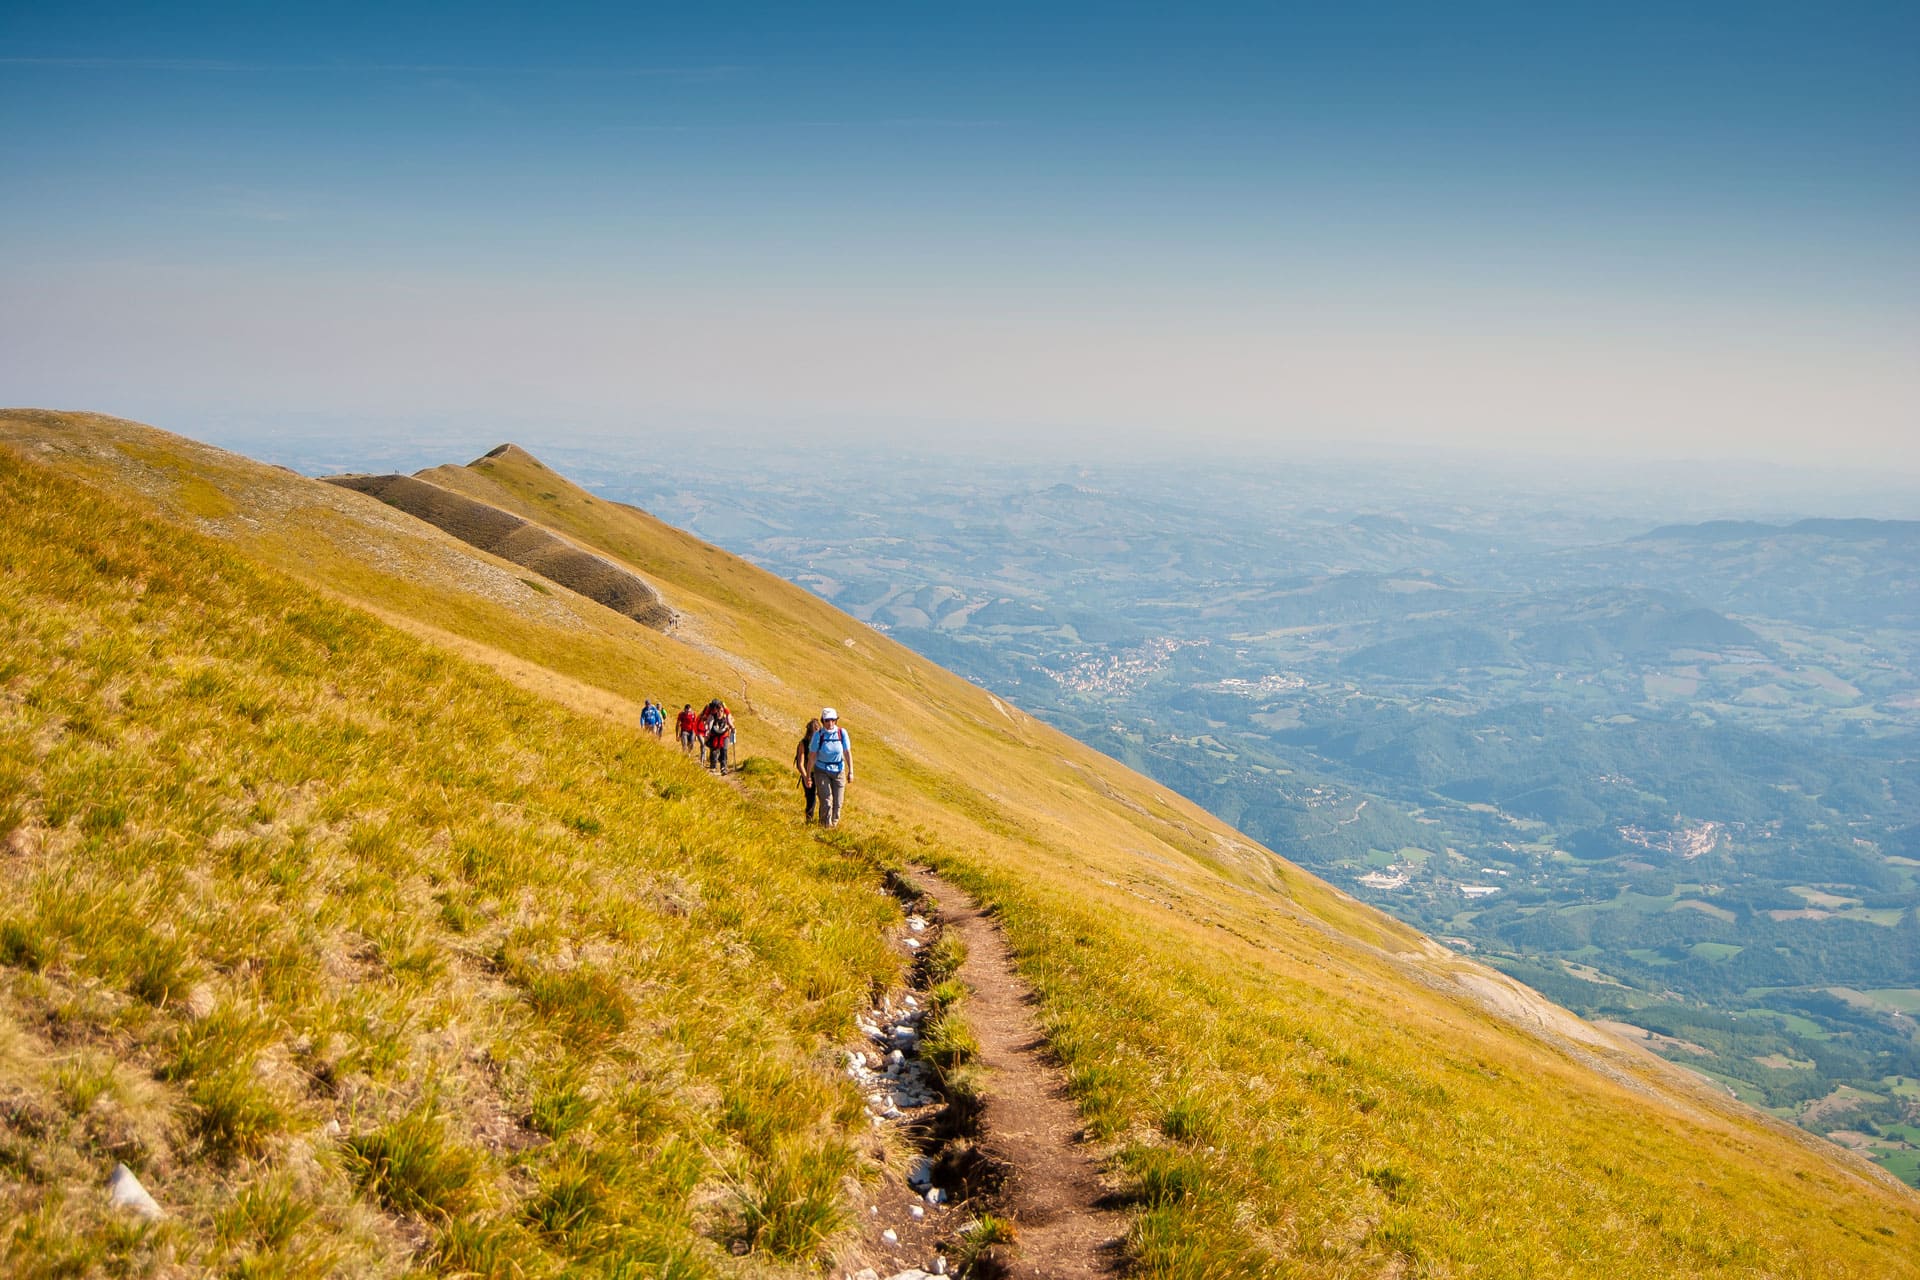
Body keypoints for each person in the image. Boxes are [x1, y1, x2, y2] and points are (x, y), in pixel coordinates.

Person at [805, 707, 852, 827]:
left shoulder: (842, 733)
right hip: (821, 770)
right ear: (823, 721)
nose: (830, 723)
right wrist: (808, 775)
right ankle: (825, 826)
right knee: (826, 800)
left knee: (838, 802)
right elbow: (812, 756)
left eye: (833, 720)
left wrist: (851, 771)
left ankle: (833, 825)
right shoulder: (818, 735)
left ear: (836, 720)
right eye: (827, 720)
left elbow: (847, 752)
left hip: (839, 770)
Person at [794, 717, 821, 821]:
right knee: (811, 799)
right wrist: (806, 777)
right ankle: (809, 820)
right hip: (808, 773)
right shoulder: (803, 743)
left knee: (823, 798)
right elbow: (800, 764)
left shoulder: (821, 743)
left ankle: (822, 821)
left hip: (820, 773)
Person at [705, 700, 736, 774]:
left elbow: (730, 722)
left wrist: (732, 727)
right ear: (716, 711)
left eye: (721, 711)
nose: (720, 713)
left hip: (724, 736)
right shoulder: (712, 716)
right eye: (718, 711)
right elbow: (708, 724)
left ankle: (723, 767)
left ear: (723, 711)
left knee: (724, 750)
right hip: (714, 736)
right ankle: (713, 767)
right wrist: (707, 732)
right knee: (714, 751)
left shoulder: (726, 716)